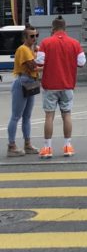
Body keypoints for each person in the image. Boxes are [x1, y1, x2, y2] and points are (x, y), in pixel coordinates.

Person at [35, 17, 86, 159]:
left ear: (53, 28)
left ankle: (47, 147)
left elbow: (39, 61)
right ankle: (67, 146)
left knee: (49, 116)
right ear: (65, 28)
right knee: (67, 115)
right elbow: (82, 62)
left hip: (50, 85)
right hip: (67, 84)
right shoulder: (75, 43)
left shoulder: (46, 42)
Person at [6, 27, 40, 157]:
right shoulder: (23, 49)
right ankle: (11, 145)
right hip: (23, 81)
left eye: (36, 35)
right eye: (32, 36)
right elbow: (33, 66)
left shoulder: (32, 50)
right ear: (24, 38)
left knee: (27, 116)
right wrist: (48, 64)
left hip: (31, 81)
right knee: (16, 115)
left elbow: (36, 66)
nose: (35, 38)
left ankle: (27, 144)